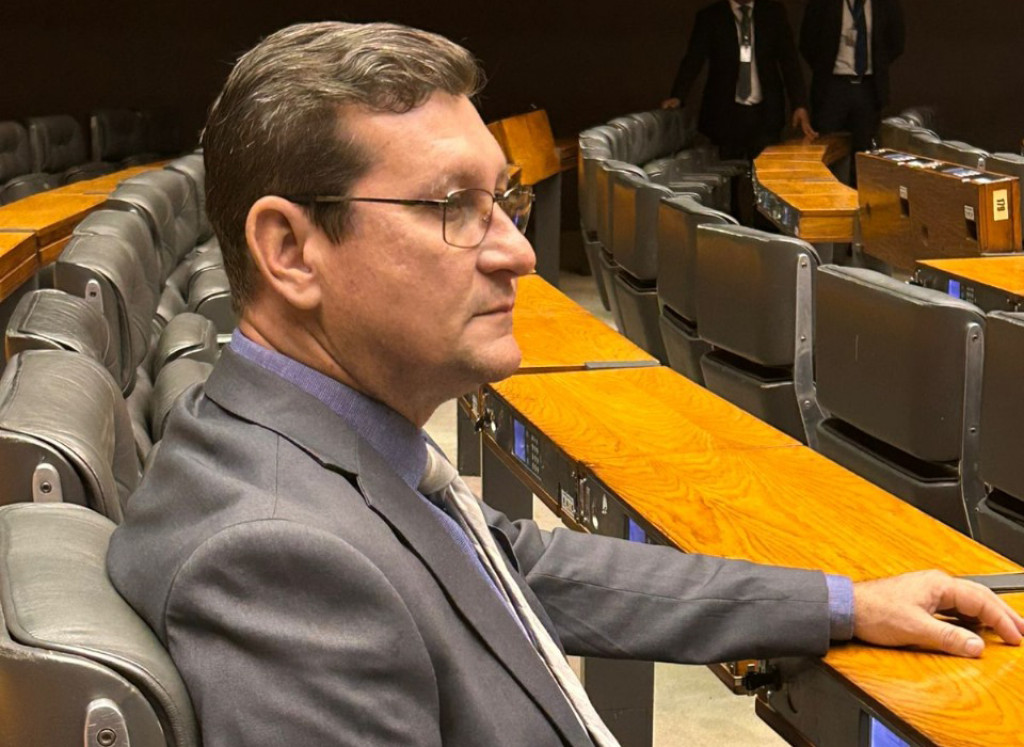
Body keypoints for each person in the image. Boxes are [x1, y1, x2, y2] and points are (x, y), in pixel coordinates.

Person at [108, 21, 1024, 747]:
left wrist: (841, 604)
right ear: (288, 250)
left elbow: (527, 567)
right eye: (453, 207)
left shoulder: (317, 444)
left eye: (502, 201)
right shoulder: (281, 561)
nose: (517, 250)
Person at [662, 0, 817, 160]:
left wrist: (799, 104)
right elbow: (693, 59)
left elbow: (789, 60)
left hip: (765, 112)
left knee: (765, 166)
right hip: (725, 113)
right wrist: (678, 95)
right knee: (727, 167)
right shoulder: (711, 16)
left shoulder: (772, 12)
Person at [800, 0, 906, 155]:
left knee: (864, 151)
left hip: (868, 88)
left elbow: (896, 43)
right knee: (826, 148)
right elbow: (807, 43)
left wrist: (877, 65)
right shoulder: (822, 4)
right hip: (832, 87)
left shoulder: (886, 4)